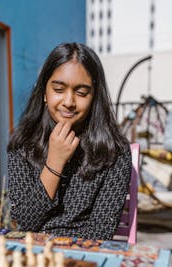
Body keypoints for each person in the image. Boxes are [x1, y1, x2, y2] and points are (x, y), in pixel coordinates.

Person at [7, 42, 132, 240]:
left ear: (94, 97)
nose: (69, 102)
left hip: (85, 255)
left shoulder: (114, 151)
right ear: (44, 93)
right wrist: (54, 164)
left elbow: (102, 230)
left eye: (81, 92)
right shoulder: (22, 144)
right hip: (35, 253)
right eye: (58, 89)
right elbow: (25, 221)